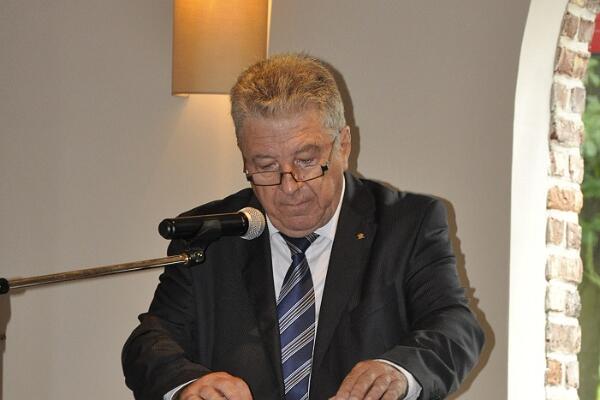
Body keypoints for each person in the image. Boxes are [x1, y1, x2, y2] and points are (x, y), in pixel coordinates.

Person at [122, 53, 484, 400]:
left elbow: (454, 326)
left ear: (343, 146)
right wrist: (187, 385)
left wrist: (399, 372)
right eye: (265, 166)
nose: (289, 187)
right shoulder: (211, 234)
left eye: (307, 161)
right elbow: (150, 341)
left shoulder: (407, 224)